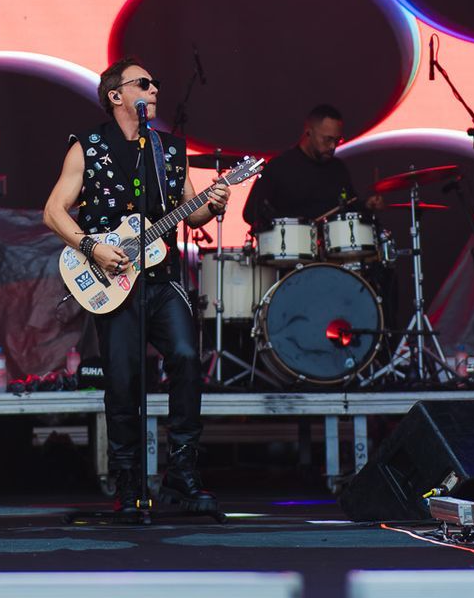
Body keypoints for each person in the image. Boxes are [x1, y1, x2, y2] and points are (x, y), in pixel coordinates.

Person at [42, 58, 230, 514]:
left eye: (156, 81)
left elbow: (191, 209)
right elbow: (53, 212)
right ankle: (129, 482)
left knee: (186, 358)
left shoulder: (169, 150)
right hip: (114, 280)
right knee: (123, 378)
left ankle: (182, 477)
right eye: (144, 82)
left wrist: (214, 201)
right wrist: (91, 247)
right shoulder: (87, 146)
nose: (155, 88)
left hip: (162, 279)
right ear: (116, 95)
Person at [243, 104, 383, 235]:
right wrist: (287, 226)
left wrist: (366, 205)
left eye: (337, 140)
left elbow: (349, 207)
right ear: (308, 133)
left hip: (331, 254)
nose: (333, 146)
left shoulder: (338, 169)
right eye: (327, 139)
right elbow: (250, 213)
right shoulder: (279, 166)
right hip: (292, 253)